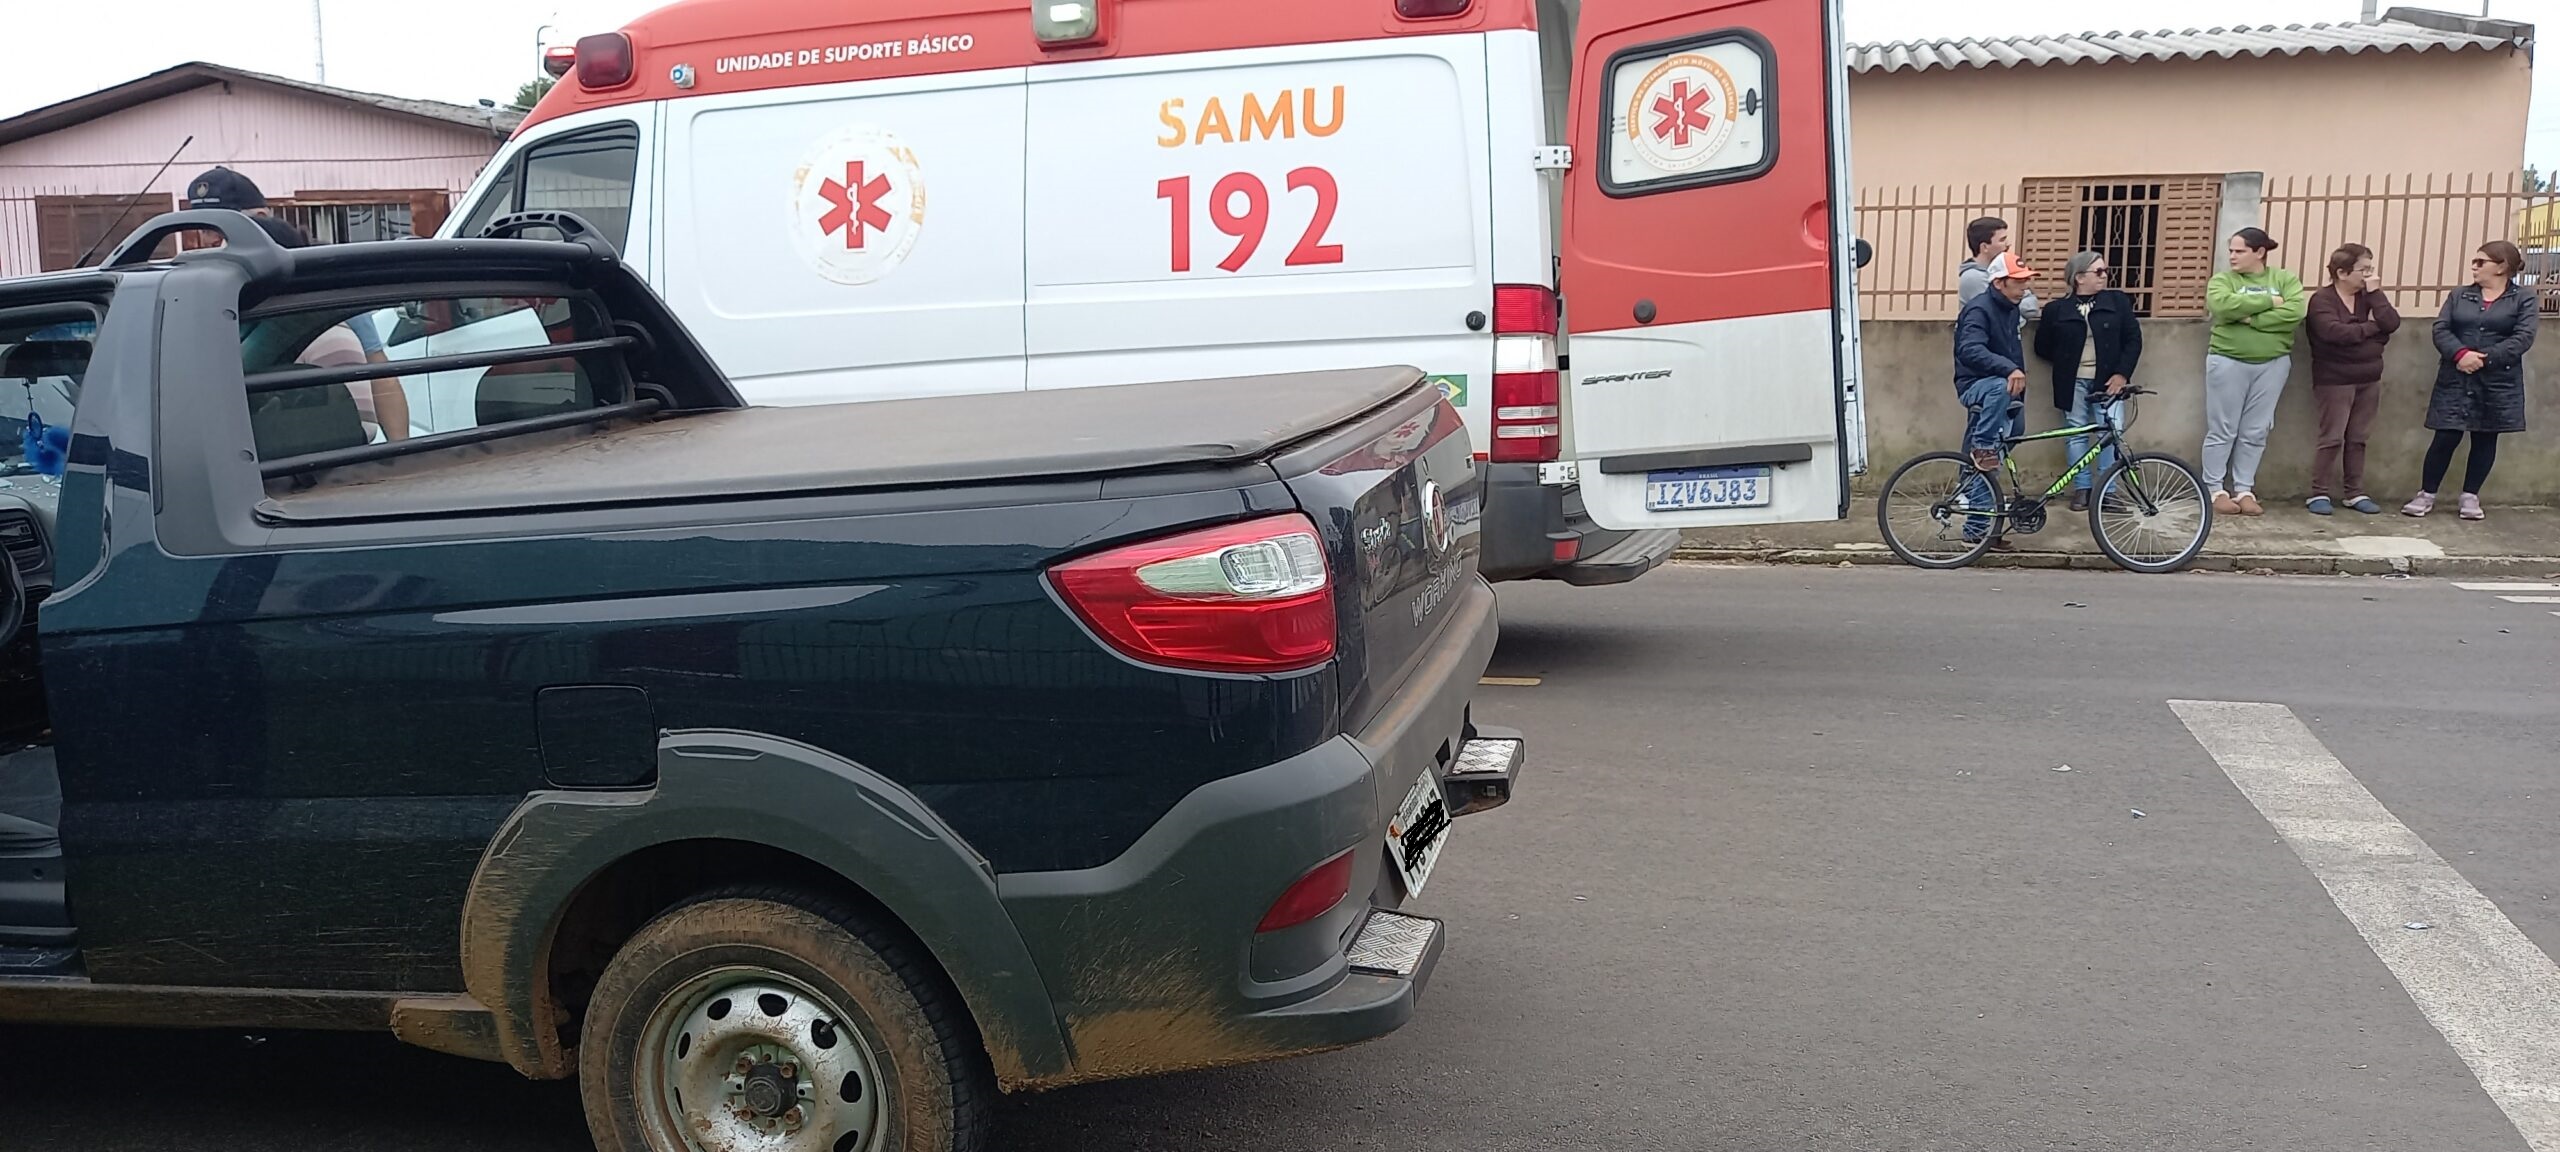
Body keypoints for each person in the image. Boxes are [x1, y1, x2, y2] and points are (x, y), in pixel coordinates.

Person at [2407, 240, 2537, 520]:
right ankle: (2426, 493)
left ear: (2501, 267)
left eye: (2481, 262)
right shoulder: (2459, 295)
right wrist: (2461, 354)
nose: (2474, 267)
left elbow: (2523, 337)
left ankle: (2470, 496)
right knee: (2446, 434)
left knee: (2486, 437)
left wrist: (2484, 358)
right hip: (2456, 375)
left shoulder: (2523, 298)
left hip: (2497, 380)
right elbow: (2441, 328)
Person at [2202, 228, 2306, 517]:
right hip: (2228, 359)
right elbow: (2221, 305)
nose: (2232, 256)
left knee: (2256, 430)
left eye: (2239, 251)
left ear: (2259, 252)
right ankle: (2214, 489)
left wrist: (2248, 319)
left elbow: (2295, 313)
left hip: (2272, 363)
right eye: (2231, 250)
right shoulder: (2223, 280)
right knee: (2223, 428)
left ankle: (2244, 489)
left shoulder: (2284, 279)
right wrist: (2269, 303)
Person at [2032, 251, 2142, 512]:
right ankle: (2082, 489)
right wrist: (2067, 363)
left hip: (2108, 381)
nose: (2105, 276)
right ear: (2079, 277)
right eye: (2099, 272)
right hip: (2073, 381)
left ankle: (2108, 491)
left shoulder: (2117, 302)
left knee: (2111, 431)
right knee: (2075, 433)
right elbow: (2042, 346)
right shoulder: (2056, 310)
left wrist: (2121, 374)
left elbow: (2133, 340)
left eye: (2105, 270)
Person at [2302, 243, 2398, 515]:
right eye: (2363, 270)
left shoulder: (2369, 296)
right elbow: (2333, 334)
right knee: (2332, 437)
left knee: (2358, 437)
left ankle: (2354, 493)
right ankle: (2319, 493)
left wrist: (2376, 295)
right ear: (2342, 273)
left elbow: (2390, 324)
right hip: (2334, 379)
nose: (2369, 275)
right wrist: (2370, 328)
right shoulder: (2322, 300)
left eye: (2371, 269)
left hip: (2369, 377)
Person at [1954, 252, 2036, 549]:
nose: (2025, 287)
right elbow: (1969, 349)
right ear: (2000, 283)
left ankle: (1988, 524)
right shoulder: (1979, 310)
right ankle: (1976, 530)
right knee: (1986, 459)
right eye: (2019, 282)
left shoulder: (2010, 308)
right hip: (1978, 387)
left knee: (2000, 454)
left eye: (2026, 281)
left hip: (2006, 392)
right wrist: (2008, 370)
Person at [1956, 216, 2041, 323]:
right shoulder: (1973, 277)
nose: (2008, 244)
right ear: (1984, 247)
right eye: (2002, 240)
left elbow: (2031, 307)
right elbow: (2003, 317)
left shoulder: (2004, 268)